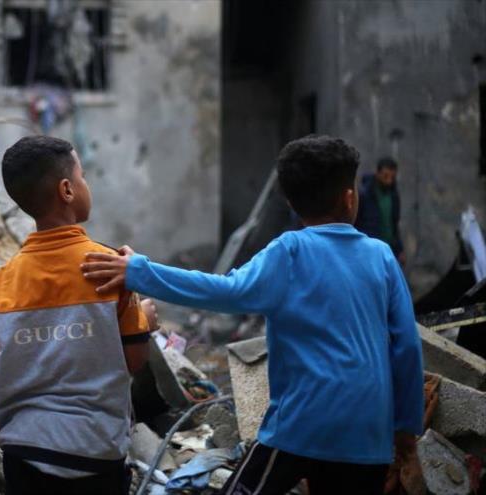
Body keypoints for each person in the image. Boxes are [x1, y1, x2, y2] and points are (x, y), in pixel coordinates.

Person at [82, 135, 425, 495]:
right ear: (350, 197)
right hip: (366, 437)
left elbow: (223, 291)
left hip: (301, 427)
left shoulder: (289, 252)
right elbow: (406, 349)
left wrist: (138, 271)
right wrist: (405, 438)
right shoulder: (382, 256)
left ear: (291, 202)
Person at [0, 135, 151, 495]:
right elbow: (135, 358)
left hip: (24, 452)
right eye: (84, 176)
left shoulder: (3, 281)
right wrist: (145, 319)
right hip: (95, 449)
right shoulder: (109, 267)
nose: (87, 185)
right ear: (68, 189)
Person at [356, 157, 405, 265]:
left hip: (389, 248)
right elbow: (357, 222)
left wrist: (400, 249)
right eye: (385, 176)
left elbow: (394, 224)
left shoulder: (393, 195)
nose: (389, 181)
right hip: (369, 248)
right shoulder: (364, 194)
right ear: (377, 173)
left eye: (392, 177)